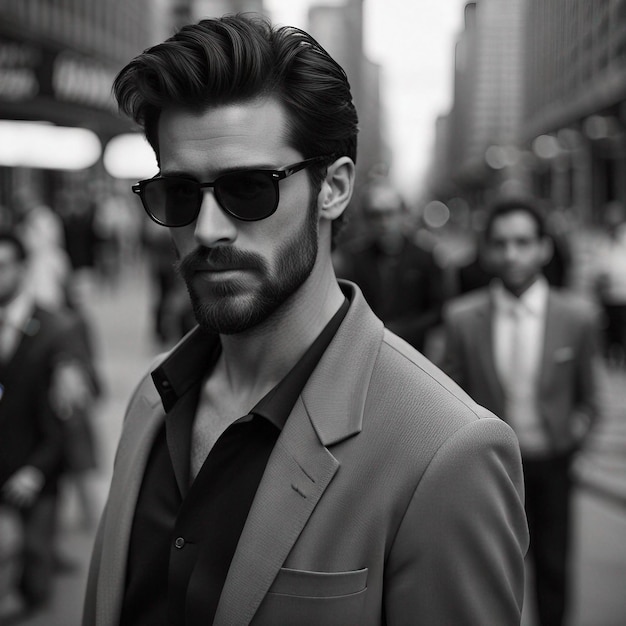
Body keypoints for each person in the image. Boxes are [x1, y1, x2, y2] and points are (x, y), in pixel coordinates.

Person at [83, 14, 528, 626]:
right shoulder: (150, 402)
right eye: (180, 195)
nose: (208, 230)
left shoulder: (447, 454)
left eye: (248, 190)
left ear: (334, 188)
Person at [441, 196, 602, 626]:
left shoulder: (578, 317)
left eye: (523, 242)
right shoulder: (461, 318)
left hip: (553, 464)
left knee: (553, 570)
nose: (512, 254)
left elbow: (591, 397)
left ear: (544, 248)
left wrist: (574, 436)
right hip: (492, 474)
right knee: (490, 577)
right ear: (488, 250)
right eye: (501, 243)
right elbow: (447, 397)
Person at [0, 231, 87, 620]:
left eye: (2, 267)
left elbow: (68, 414)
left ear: (21, 269)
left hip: (37, 464)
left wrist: (36, 470)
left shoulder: (56, 330)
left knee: (35, 570)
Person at [336, 182, 444, 352]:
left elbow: (437, 309)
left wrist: (403, 330)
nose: (384, 222)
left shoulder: (424, 256)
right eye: (375, 215)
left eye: (390, 213)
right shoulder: (355, 258)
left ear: (402, 214)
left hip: (412, 351)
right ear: (367, 219)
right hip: (367, 347)